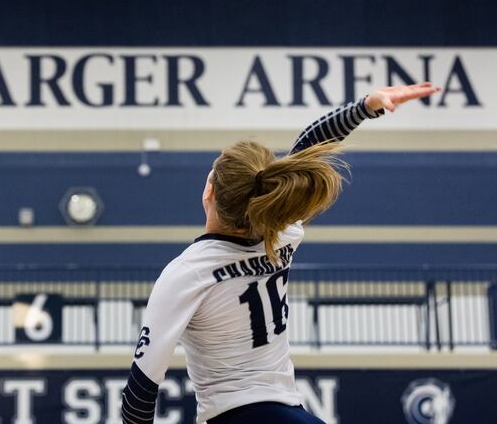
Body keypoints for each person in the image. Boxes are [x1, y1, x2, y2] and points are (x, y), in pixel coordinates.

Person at [121, 83, 440, 424]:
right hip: (290, 413)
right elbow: (309, 147)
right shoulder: (282, 235)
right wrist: (363, 107)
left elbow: (139, 396)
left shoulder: (188, 272)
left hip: (235, 416)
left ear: (208, 190)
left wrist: (364, 106)